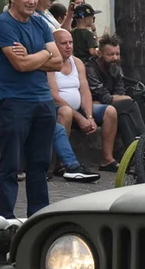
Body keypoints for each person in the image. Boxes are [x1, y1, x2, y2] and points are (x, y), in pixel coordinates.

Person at [0, 0, 62, 217]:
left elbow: (58, 62)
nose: (32, 1)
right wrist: (43, 55)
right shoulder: (1, 25)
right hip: (13, 102)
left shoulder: (40, 23)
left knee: (39, 164)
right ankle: (5, 220)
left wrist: (32, 55)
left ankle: (38, 217)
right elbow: (19, 64)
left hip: (43, 102)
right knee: (10, 165)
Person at [47, 29, 112, 178]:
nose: (69, 46)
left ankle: (107, 159)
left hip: (79, 109)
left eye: (70, 42)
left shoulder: (77, 62)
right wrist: (79, 117)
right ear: (54, 45)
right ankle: (61, 164)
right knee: (66, 112)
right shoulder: (50, 64)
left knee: (110, 112)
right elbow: (54, 96)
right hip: (59, 109)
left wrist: (89, 116)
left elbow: (85, 91)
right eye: (63, 43)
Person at [84, 34, 144, 168]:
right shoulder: (90, 68)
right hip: (90, 108)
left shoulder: (115, 67)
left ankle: (136, 155)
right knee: (129, 103)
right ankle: (143, 147)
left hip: (107, 106)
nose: (115, 58)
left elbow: (119, 91)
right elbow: (104, 96)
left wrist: (121, 98)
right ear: (99, 53)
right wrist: (124, 98)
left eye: (117, 54)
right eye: (110, 54)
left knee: (124, 112)